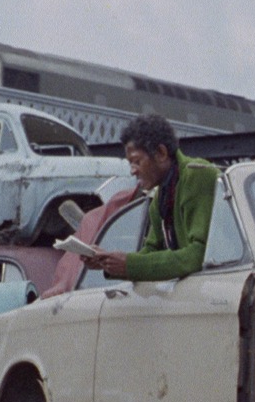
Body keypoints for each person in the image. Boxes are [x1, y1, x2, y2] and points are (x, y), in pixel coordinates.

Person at [87, 113, 220, 281]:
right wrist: (109, 262)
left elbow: (200, 254)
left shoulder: (198, 175)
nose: (132, 171)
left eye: (137, 161)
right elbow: (151, 250)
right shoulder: (161, 197)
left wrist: (130, 264)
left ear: (161, 153)